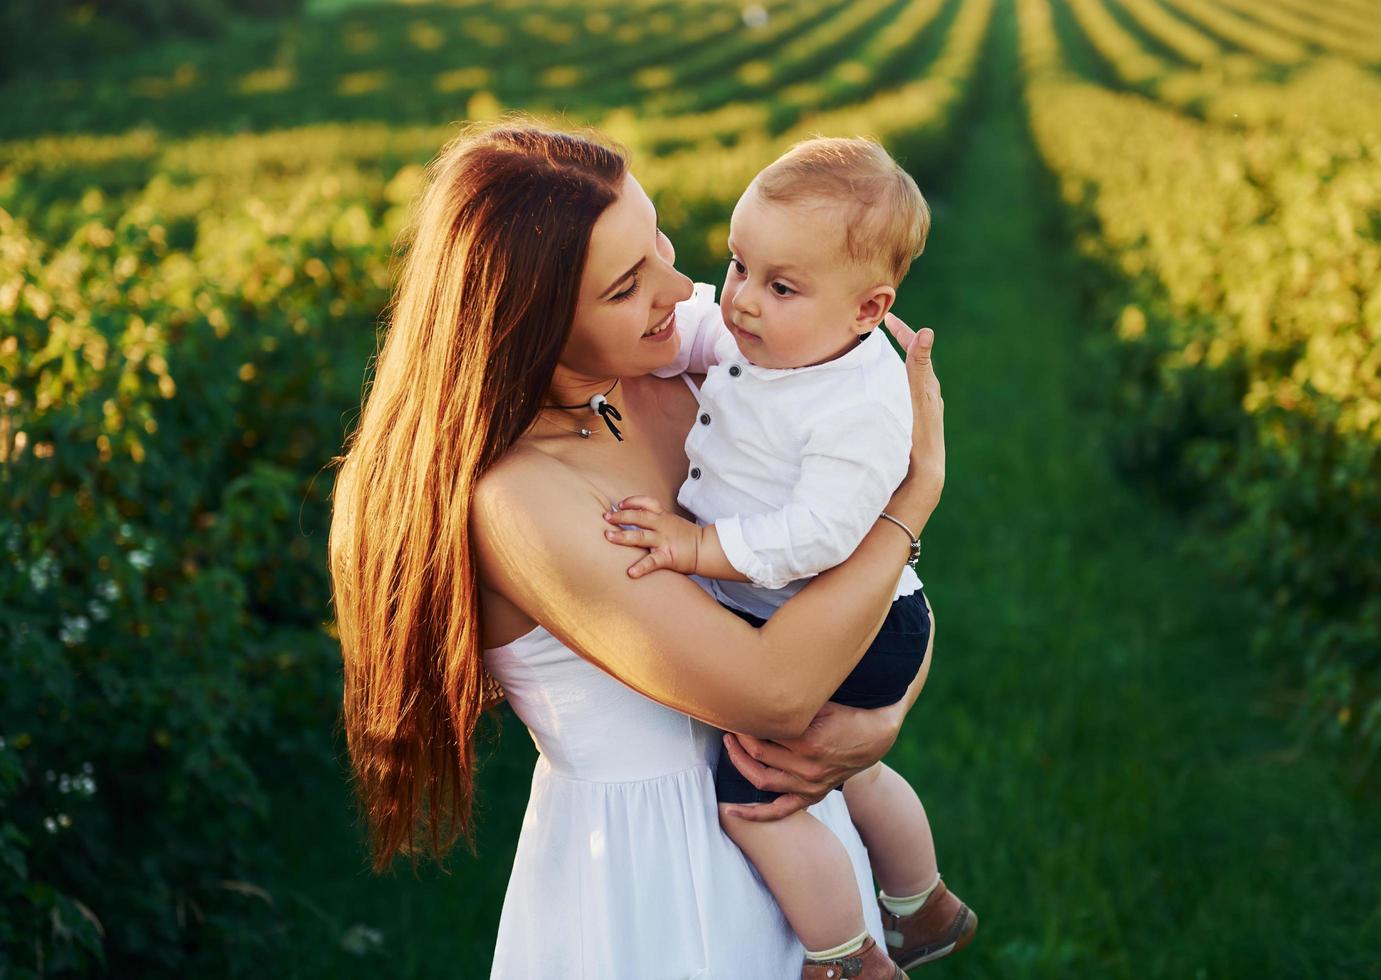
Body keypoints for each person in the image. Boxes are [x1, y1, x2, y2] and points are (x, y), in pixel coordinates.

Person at [326, 120, 946, 979]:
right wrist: (913, 502)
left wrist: (881, 714)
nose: (682, 285)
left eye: (656, 239)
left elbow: (854, 592)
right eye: (626, 285)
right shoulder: (521, 499)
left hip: (787, 826)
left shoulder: (681, 378)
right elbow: (773, 691)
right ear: (532, 322)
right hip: (654, 884)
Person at [605, 136, 975, 978]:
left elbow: (818, 535)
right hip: (836, 606)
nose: (741, 301)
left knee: (757, 797)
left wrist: (699, 545)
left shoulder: (860, 404)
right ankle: (924, 902)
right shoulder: (779, 331)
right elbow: (695, 328)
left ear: (865, 310)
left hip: (873, 621)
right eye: (739, 265)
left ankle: (847, 957)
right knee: (849, 771)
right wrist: (654, 341)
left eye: (778, 285)